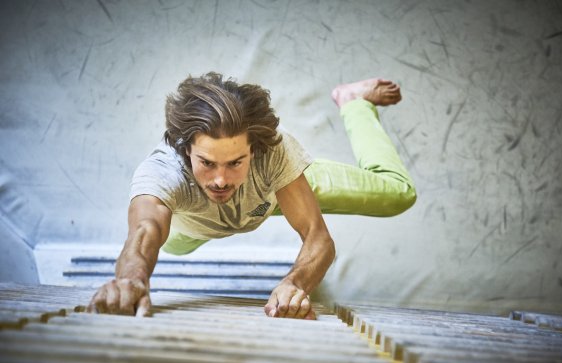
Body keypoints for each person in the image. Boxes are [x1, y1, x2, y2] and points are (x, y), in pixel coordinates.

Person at [87, 73, 416, 320]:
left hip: (273, 194)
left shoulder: (274, 151)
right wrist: (131, 280)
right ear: (186, 151)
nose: (220, 179)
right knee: (168, 241)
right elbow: (144, 231)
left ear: (254, 151)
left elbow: (318, 238)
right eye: (207, 163)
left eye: (234, 163)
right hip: (189, 224)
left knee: (398, 194)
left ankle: (353, 100)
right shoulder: (163, 172)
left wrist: (295, 285)